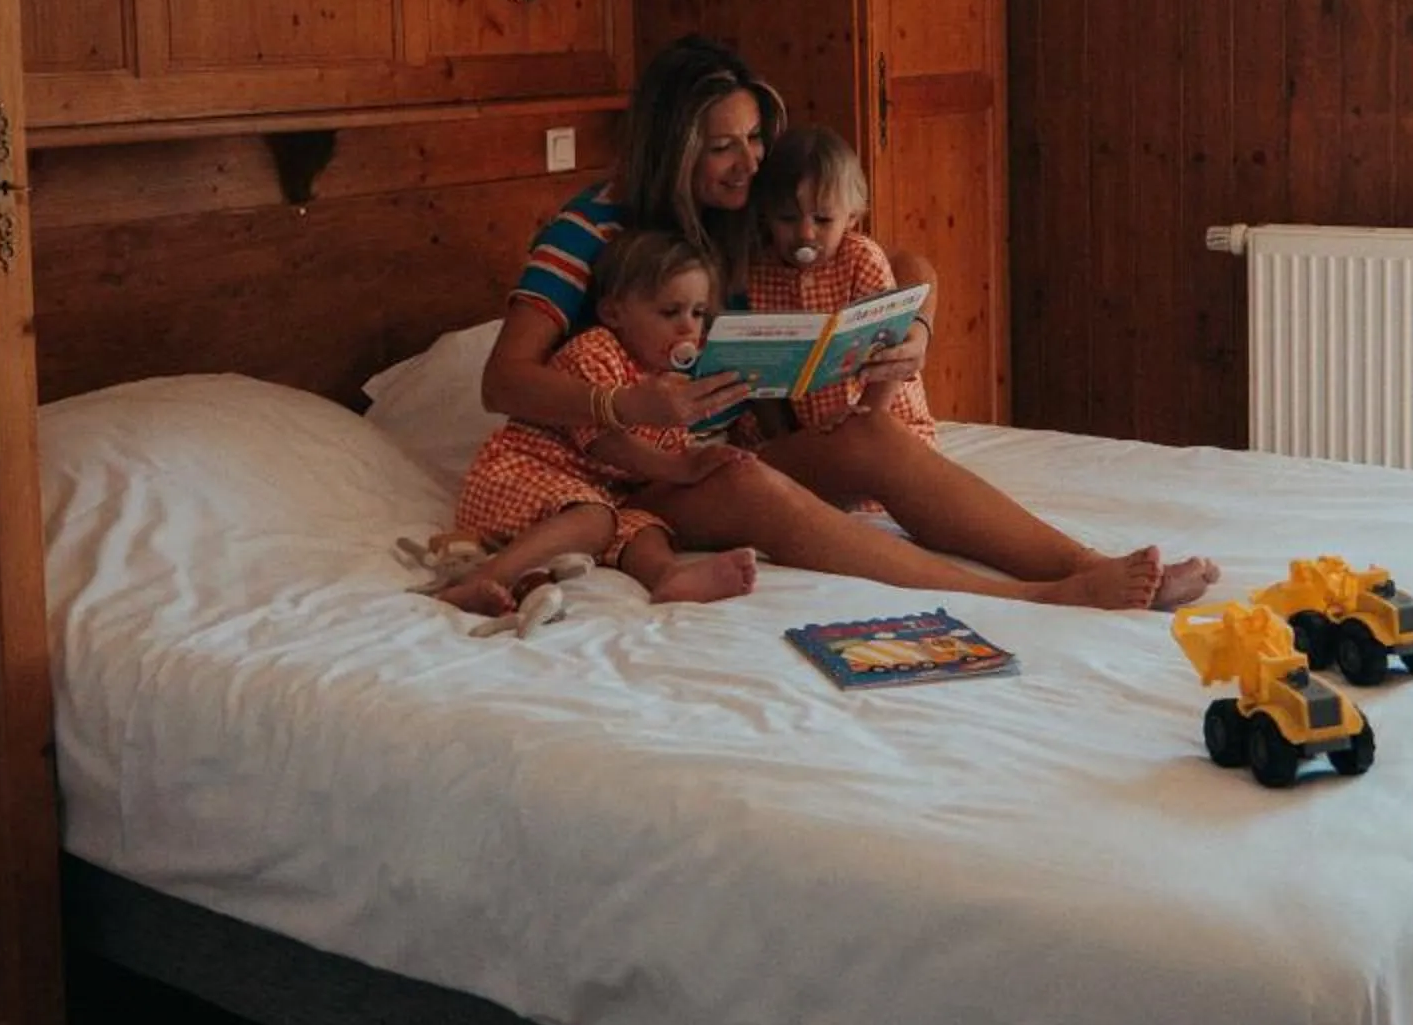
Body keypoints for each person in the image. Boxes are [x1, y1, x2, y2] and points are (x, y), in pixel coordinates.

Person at [482, 34, 1214, 611]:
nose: (750, 162)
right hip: (621, 479)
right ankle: (1031, 599)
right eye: (723, 145)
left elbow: (907, 261)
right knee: (753, 488)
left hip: (716, 448)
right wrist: (624, 403)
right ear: (672, 148)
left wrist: (915, 336)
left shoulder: (735, 218)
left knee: (869, 433)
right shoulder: (589, 231)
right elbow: (502, 380)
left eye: (754, 138)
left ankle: (1085, 565)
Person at [438, 230, 762, 618]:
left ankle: (668, 575)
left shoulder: (670, 385)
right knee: (597, 518)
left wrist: (712, 456)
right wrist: (681, 468)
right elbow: (606, 443)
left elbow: (653, 463)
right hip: (522, 474)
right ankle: (476, 581)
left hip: (596, 494)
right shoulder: (595, 352)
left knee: (644, 526)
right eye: (669, 312)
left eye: (698, 314)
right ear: (614, 313)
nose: (687, 329)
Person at [746, 124, 943, 444]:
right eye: (787, 219)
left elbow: (890, 349)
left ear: (851, 217)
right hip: (810, 432)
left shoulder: (861, 259)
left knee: (875, 475)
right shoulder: (759, 272)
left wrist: (865, 422)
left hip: (882, 418)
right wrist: (785, 441)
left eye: (822, 220)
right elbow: (763, 372)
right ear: (766, 216)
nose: (806, 234)